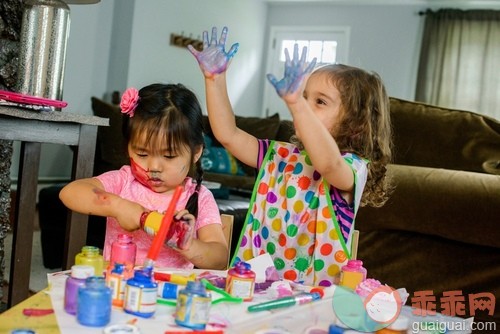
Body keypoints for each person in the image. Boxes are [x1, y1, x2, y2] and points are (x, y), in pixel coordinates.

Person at [189, 27, 392, 286]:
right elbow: (228, 134)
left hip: (315, 300)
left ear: (356, 125)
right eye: (304, 95)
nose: (304, 105)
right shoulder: (280, 156)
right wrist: (214, 79)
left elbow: (328, 163)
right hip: (257, 288)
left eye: (319, 102)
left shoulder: (352, 168)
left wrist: (296, 104)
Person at [59, 83, 228, 270]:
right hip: (119, 287)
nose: (154, 167)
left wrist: (186, 243)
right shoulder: (123, 181)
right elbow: (70, 192)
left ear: (195, 153)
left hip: (171, 295)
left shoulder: (199, 197)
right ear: (128, 148)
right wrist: (119, 207)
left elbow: (219, 258)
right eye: (142, 154)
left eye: (169, 156)